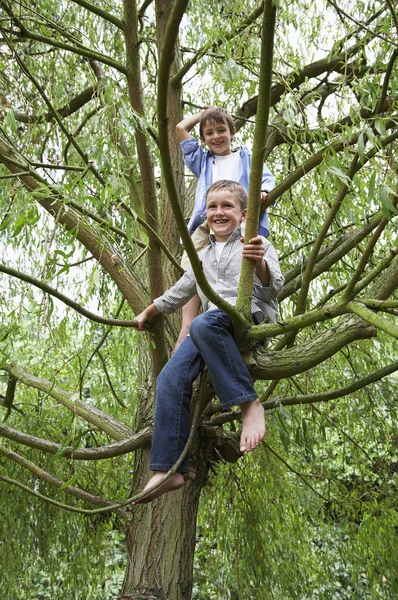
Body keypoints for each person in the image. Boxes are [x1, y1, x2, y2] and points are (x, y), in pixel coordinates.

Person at [134, 180, 284, 503]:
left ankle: (249, 404)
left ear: (244, 214)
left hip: (244, 318)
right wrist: (152, 309)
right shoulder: (200, 253)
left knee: (202, 323)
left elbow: (275, 289)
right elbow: (184, 288)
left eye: (227, 206)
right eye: (212, 207)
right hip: (210, 329)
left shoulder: (256, 242)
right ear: (205, 214)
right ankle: (169, 468)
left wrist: (258, 261)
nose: (219, 212)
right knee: (169, 378)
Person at [174, 106, 276, 351]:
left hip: (240, 224)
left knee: (239, 268)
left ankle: (240, 315)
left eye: (221, 130)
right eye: (209, 133)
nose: (216, 136)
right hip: (205, 224)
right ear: (203, 138)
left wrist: (264, 192)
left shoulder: (246, 157)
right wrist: (205, 114)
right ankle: (187, 326)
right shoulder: (202, 160)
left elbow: (267, 179)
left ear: (233, 132)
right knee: (194, 268)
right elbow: (180, 128)